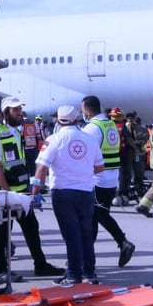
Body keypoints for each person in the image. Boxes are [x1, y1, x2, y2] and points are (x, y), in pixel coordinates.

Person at [0, 98, 63, 279]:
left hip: (21, 192)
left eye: (20, 109)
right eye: (16, 110)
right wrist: (7, 191)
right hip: (4, 192)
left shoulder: (17, 133)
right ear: (6, 112)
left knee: (31, 228)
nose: (20, 112)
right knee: (1, 232)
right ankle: (1, 269)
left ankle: (41, 264)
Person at [33, 105, 104, 285]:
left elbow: (41, 168)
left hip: (63, 192)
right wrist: (82, 169)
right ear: (76, 119)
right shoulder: (89, 139)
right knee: (86, 233)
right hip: (86, 192)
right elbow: (100, 167)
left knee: (71, 234)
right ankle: (90, 272)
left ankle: (74, 274)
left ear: (58, 120)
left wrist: (35, 192)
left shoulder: (53, 139)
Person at [81, 96, 136, 269]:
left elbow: (85, 155)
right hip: (111, 178)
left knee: (92, 218)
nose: (83, 113)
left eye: (83, 110)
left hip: (97, 179)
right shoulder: (110, 125)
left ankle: (85, 259)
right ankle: (122, 243)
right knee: (100, 215)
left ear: (88, 110)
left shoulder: (91, 128)